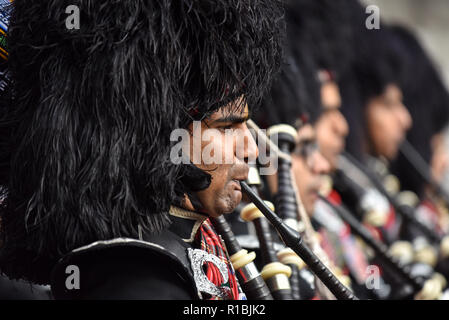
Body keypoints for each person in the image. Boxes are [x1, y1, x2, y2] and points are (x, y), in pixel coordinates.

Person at [0, 0, 284, 300]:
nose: (252, 149)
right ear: (159, 139)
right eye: (226, 128)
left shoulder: (201, 240)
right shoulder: (133, 279)